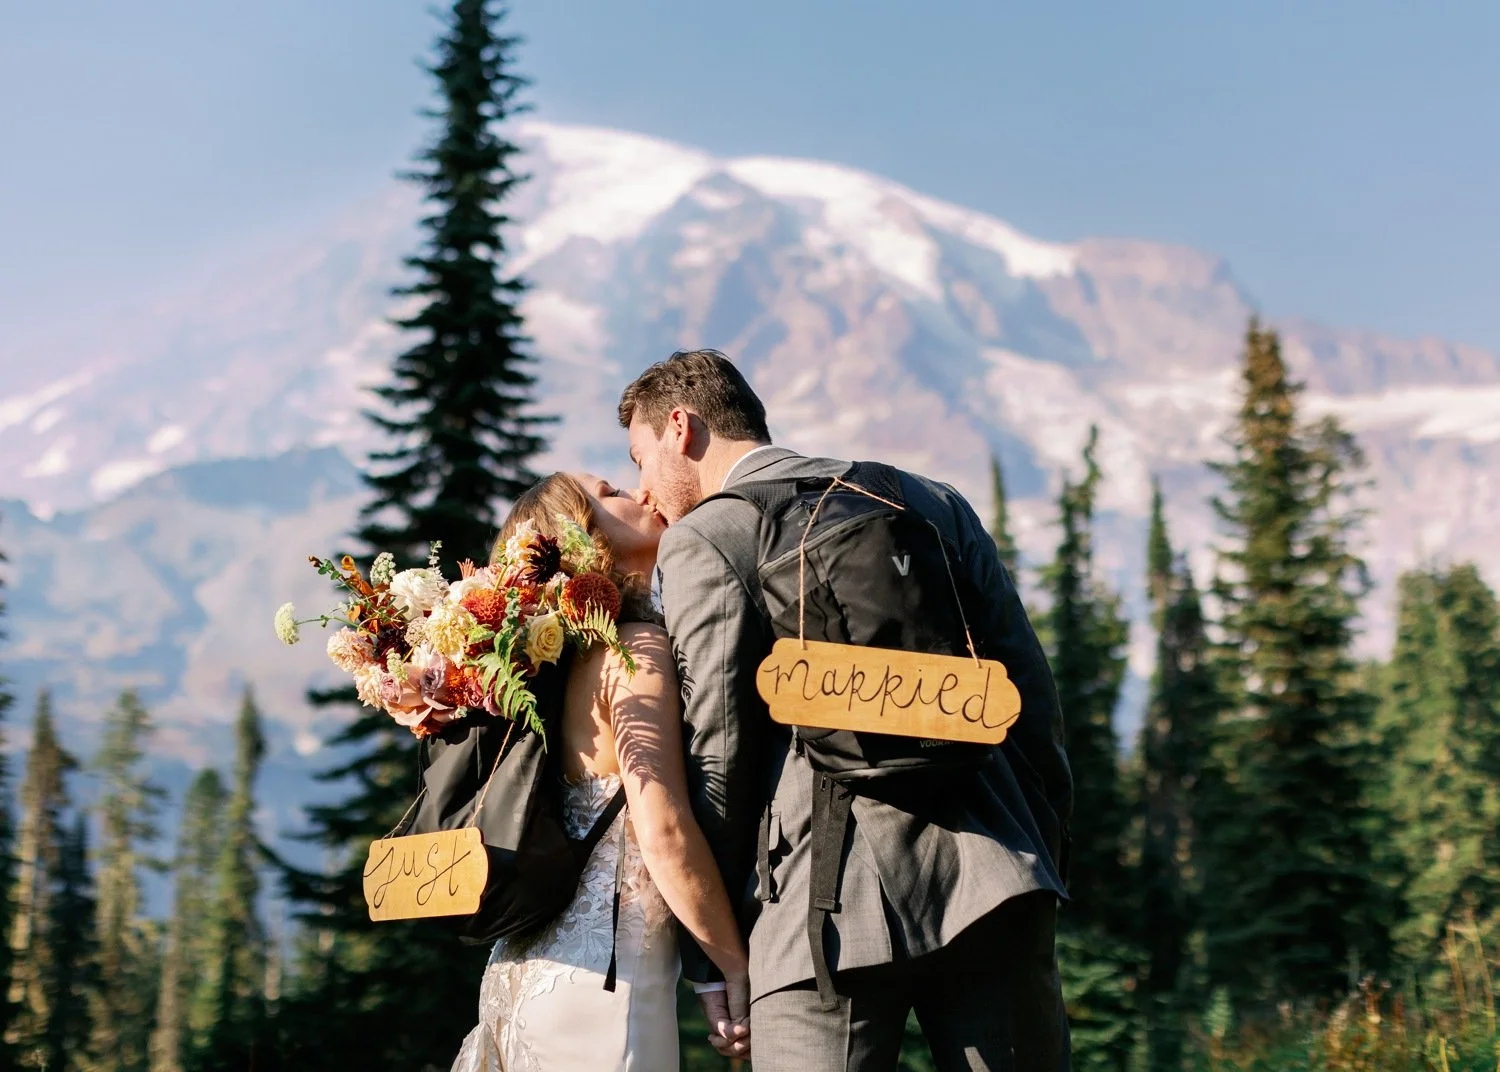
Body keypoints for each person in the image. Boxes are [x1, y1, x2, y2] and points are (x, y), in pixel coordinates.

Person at [619, 349, 1075, 1071]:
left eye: (640, 459)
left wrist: (718, 955)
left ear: (681, 426)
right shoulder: (929, 500)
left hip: (818, 914)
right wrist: (1035, 846)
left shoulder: (709, 538)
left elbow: (720, 758)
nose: (644, 491)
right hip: (995, 875)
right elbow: (1031, 700)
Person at [451, 471, 752, 1070]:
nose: (641, 494)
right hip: (603, 991)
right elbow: (663, 831)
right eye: (612, 493)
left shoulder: (553, 670)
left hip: (524, 971)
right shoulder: (632, 651)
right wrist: (735, 967)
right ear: (582, 536)